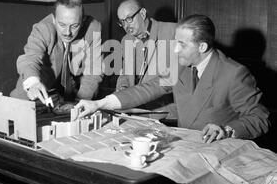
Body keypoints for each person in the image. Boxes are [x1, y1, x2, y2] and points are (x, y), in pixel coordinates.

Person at [75, 14, 270, 143]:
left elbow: (260, 118)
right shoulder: (180, 65)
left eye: (181, 44)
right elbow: (146, 89)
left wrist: (227, 129)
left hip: (219, 153)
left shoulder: (233, 73)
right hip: (187, 149)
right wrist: (99, 104)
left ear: (201, 47)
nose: (175, 50)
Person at [10, 0, 103, 105]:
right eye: (62, 25)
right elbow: (30, 58)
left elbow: (93, 71)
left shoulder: (93, 28)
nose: (67, 32)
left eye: (74, 26)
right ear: (54, 19)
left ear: (82, 21)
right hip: (37, 85)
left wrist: (80, 103)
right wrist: (33, 82)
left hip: (71, 92)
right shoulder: (43, 28)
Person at [116, 0, 177, 118]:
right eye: (122, 22)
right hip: (135, 112)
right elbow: (124, 73)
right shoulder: (126, 40)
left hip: (165, 114)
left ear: (142, 13)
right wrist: (123, 88)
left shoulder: (173, 32)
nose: (126, 26)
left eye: (129, 19)